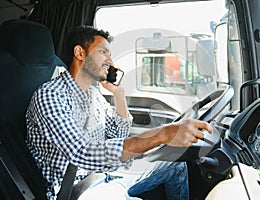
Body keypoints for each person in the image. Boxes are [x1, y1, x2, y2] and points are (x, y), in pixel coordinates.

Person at [25, 26, 212, 200]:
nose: (110, 61)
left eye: (110, 54)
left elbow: (119, 134)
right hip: (78, 189)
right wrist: (162, 134)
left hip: (106, 171)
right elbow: (83, 153)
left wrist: (118, 93)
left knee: (174, 163)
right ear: (79, 53)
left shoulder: (93, 94)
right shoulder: (49, 96)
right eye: (102, 52)